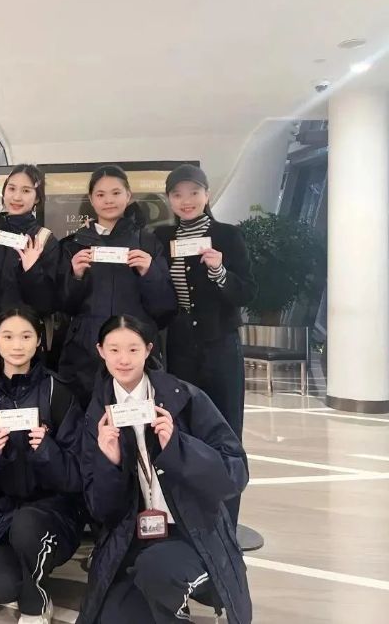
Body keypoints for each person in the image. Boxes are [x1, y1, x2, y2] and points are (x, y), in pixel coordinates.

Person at [77, 315, 251, 624]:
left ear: (148, 349)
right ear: (100, 351)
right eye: (114, 350)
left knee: (157, 569)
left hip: (192, 534)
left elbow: (235, 473)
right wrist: (109, 463)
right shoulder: (97, 415)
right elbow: (102, 511)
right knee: (112, 617)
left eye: (133, 349)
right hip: (132, 540)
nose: (123, 359)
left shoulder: (184, 398)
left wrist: (179, 448)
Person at [0, 306, 84, 624]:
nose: (17, 345)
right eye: (8, 336)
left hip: (53, 512)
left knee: (28, 524)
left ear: (39, 341)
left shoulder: (58, 392)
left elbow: (77, 476)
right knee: (2, 586)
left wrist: (47, 450)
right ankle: (27, 579)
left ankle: (34, 604)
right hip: (0, 514)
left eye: (26, 336)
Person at [154, 164, 255, 523]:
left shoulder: (227, 236)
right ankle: (191, 520)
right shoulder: (161, 237)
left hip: (220, 345)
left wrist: (219, 271)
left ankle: (226, 521)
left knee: (226, 429)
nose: (186, 201)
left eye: (194, 193)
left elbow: (246, 293)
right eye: (178, 194)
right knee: (184, 429)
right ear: (169, 199)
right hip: (180, 346)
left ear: (207, 195)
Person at [59, 166, 175, 406]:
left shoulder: (148, 242)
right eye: (100, 194)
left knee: (135, 417)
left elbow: (165, 307)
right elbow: (63, 305)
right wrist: (75, 276)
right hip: (86, 351)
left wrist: (149, 272)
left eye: (116, 193)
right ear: (91, 199)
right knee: (87, 416)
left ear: (128, 195)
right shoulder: (74, 244)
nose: (108, 200)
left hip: (134, 351)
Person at [0, 165, 59, 362]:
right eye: (11, 188)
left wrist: (31, 270)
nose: (17, 197)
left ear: (37, 198)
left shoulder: (44, 239)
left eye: (26, 191)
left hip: (23, 344)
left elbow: (47, 304)